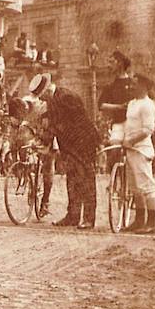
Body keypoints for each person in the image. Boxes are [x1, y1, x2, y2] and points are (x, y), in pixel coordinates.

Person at [29, 73, 101, 229]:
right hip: (69, 145)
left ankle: (89, 218)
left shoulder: (66, 97)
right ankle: (73, 216)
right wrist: (41, 141)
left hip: (84, 142)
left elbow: (78, 122)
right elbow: (50, 127)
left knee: (86, 179)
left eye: (42, 97)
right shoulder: (52, 101)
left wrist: (51, 133)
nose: (41, 100)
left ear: (47, 90)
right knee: (72, 179)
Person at [123, 74, 155, 233]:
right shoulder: (132, 103)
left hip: (141, 149)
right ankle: (139, 220)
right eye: (131, 84)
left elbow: (148, 129)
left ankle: (151, 223)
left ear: (144, 86)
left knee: (147, 186)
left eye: (134, 84)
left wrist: (132, 141)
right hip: (130, 149)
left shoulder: (148, 105)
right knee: (135, 187)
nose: (131, 87)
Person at [99, 50, 135, 146]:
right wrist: (119, 107)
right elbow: (101, 105)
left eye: (111, 62)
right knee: (114, 147)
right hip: (118, 124)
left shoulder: (133, 83)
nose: (108, 66)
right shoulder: (110, 86)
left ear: (120, 63)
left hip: (134, 124)